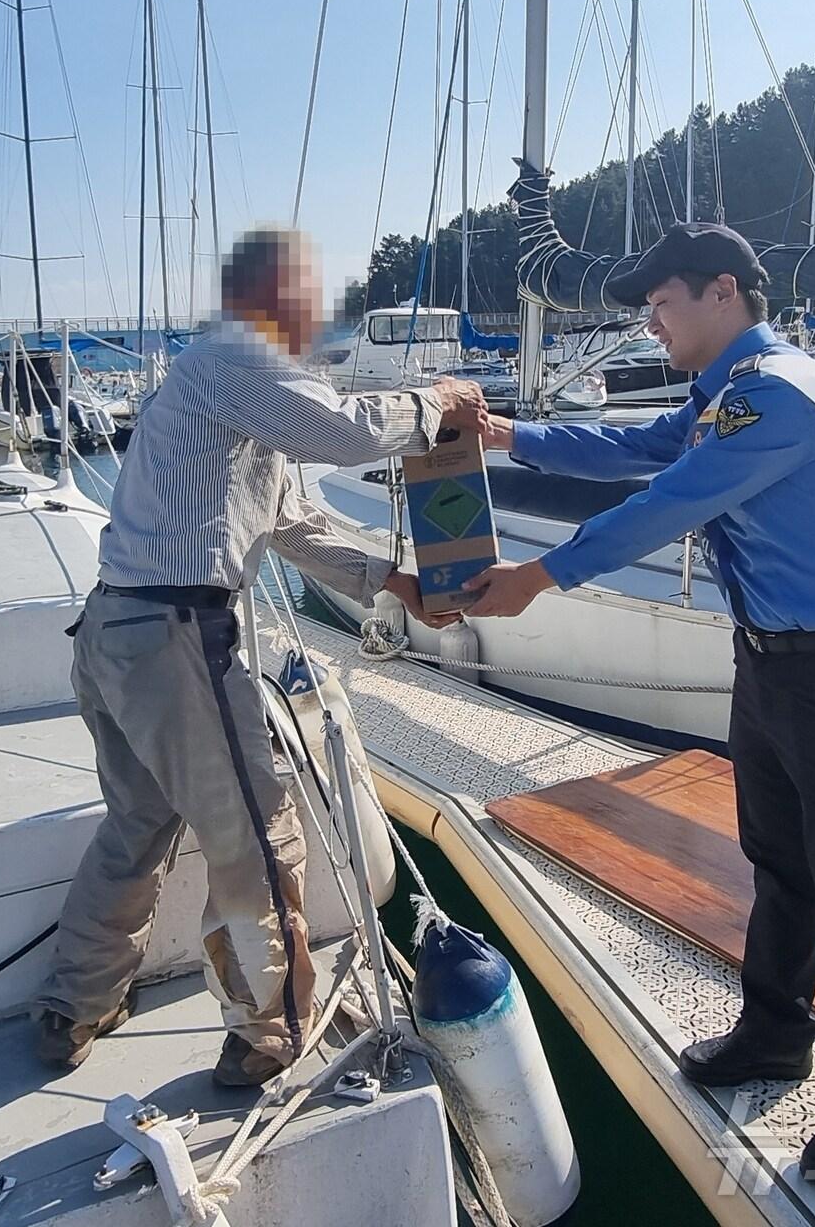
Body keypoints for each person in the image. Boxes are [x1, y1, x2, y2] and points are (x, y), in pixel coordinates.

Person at [466, 219, 815, 1181]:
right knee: (779, 861)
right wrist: (511, 433)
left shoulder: (772, 402)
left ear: (724, 291)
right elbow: (636, 448)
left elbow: (664, 505)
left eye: (662, 301)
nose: (651, 319)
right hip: (778, 663)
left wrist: (540, 577)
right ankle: (775, 1034)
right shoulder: (756, 391)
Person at [35, 226, 486, 1085]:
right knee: (257, 832)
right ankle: (267, 1031)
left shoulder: (221, 384)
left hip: (115, 634)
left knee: (138, 825)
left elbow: (291, 523)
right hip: (175, 638)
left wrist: (397, 582)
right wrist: (439, 403)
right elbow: (348, 435)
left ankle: (72, 1006)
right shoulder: (235, 358)